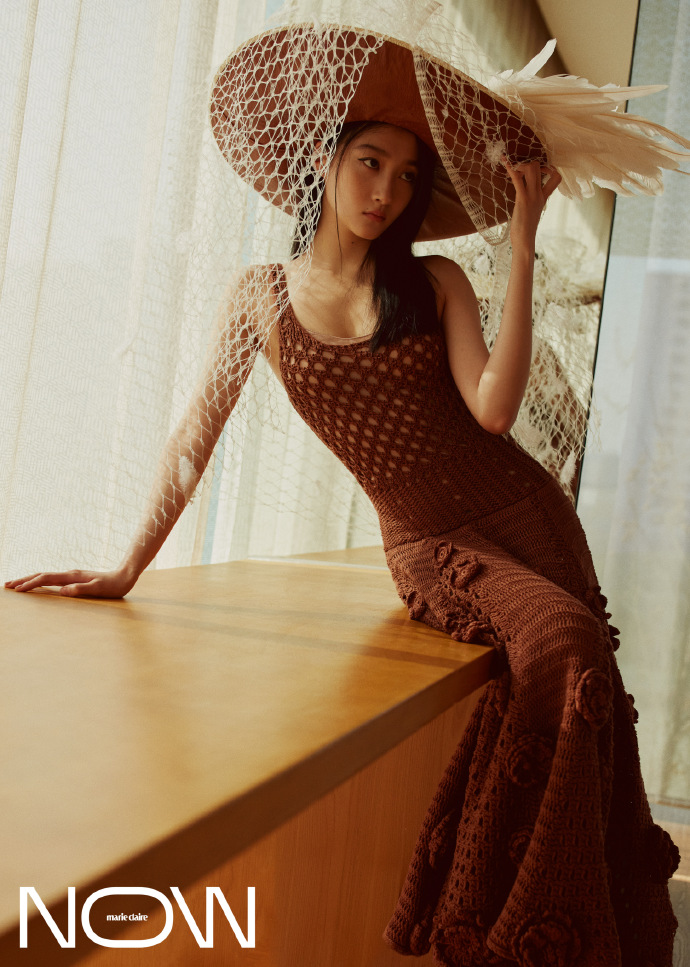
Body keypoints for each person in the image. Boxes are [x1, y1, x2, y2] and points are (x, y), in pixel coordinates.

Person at [5, 11, 686, 965]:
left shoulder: (436, 280)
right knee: (566, 644)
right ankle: (522, 920)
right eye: (370, 162)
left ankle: (583, 914)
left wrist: (524, 241)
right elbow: (192, 444)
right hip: (433, 546)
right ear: (322, 162)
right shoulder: (260, 297)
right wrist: (125, 567)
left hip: (529, 516)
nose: (386, 190)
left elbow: (494, 412)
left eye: (407, 175)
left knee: (583, 668)